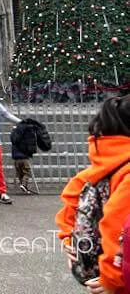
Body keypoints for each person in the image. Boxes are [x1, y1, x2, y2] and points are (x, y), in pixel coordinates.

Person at [56, 94, 130, 294]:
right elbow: (117, 228)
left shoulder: (105, 164)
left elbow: (71, 196)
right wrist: (111, 278)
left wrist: (69, 239)